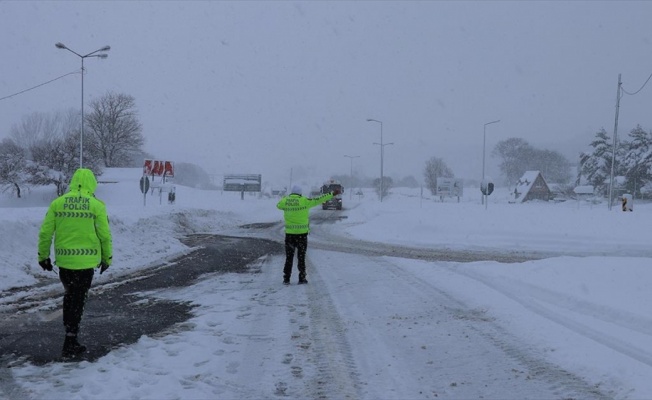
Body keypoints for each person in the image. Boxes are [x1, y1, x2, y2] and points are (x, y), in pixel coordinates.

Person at [38, 168, 113, 359]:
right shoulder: (97, 206)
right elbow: (104, 236)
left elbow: (46, 233)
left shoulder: (58, 203)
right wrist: (106, 258)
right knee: (78, 300)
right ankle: (70, 341)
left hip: (65, 262)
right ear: (92, 184)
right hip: (86, 263)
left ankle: (70, 336)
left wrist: (43, 256)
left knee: (70, 296)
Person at [276, 185, 339, 285]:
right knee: (301, 257)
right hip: (302, 235)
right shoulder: (305, 201)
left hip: (290, 235)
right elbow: (319, 199)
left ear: (292, 193)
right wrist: (332, 194)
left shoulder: (285, 201)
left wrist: (286, 198)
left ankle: (286, 278)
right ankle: (302, 278)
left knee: (289, 257)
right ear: (300, 193)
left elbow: (278, 205)